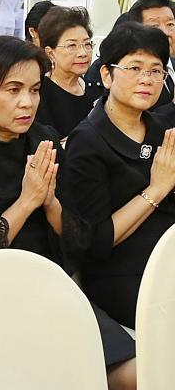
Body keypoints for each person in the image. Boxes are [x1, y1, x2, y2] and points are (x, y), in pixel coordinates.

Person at [0, 36, 137, 390]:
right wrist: (26, 202)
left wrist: (50, 203)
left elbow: (78, 242)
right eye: (13, 90)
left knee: (137, 380)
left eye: (34, 89)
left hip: (53, 288)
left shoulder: (44, 139)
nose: (27, 102)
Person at [63, 22, 175, 330]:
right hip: (122, 273)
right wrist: (157, 190)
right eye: (135, 68)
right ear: (106, 75)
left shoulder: (161, 130)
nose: (146, 79)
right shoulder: (87, 141)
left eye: (156, 70)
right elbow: (97, 241)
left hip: (167, 258)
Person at [85, 0, 175, 110]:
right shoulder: (110, 68)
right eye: (155, 26)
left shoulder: (171, 63)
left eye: (170, 24)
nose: (166, 33)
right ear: (136, 30)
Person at [35, 6, 102, 138]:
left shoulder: (96, 90)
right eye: (71, 46)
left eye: (87, 44)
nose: (83, 53)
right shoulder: (39, 92)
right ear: (50, 53)